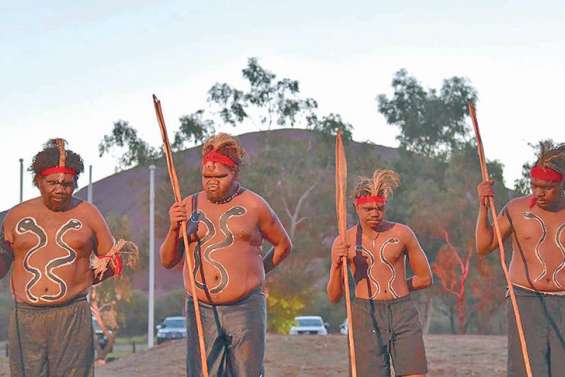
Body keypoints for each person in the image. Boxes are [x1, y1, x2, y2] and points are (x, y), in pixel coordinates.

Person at [159, 133, 292, 377]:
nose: (212, 182)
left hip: (246, 306)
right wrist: (173, 228)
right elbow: (167, 261)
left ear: (236, 173)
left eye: (220, 176)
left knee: (247, 373)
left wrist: (260, 271)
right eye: (206, 176)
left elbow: (284, 245)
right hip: (201, 307)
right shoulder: (188, 206)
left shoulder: (254, 205)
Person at [0, 138, 126, 377]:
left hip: (72, 314)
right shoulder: (16, 216)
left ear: (76, 183)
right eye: (52, 183)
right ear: (38, 181)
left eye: (67, 184)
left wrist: (81, 279)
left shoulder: (88, 214)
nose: (60, 189)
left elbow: (113, 261)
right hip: (26, 318)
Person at [327, 168, 432, 377]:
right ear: (356, 208)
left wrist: (401, 286)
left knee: (415, 373)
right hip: (365, 314)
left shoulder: (402, 233)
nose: (375, 213)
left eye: (380, 208)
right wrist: (337, 264)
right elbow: (334, 296)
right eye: (368, 209)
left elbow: (425, 278)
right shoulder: (344, 241)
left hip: (402, 312)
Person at [476, 141, 565, 377]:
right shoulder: (516, 209)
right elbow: (484, 246)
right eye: (534, 186)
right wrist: (483, 207)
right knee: (526, 370)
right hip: (524, 298)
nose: (538, 193)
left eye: (547, 187)